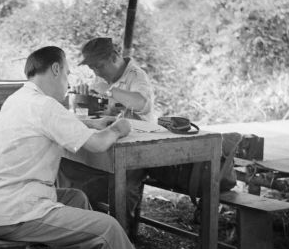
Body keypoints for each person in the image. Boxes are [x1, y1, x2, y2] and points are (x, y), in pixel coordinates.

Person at [0, 45, 185, 249]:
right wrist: (117, 129)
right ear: (56, 69)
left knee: (75, 197)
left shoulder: (20, 99)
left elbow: (56, 124)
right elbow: (98, 145)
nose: (68, 81)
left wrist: (92, 122)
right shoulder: (45, 106)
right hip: (14, 211)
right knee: (107, 227)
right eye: (68, 73)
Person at [58, 37, 241, 233]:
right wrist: (84, 97)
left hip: (136, 150)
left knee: (124, 186)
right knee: (68, 164)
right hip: (112, 142)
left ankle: (122, 236)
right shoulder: (103, 78)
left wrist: (111, 91)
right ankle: (83, 225)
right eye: (92, 68)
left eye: (99, 66)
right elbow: (102, 111)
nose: (96, 72)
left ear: (113, 57)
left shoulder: (136, 75)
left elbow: (140, 103)